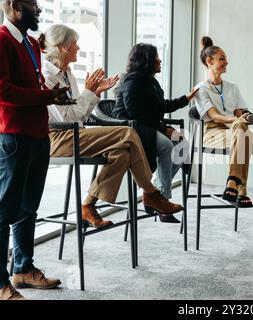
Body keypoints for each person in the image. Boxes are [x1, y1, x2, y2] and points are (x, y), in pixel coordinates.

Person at [40, 25, 183, 230]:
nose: (78, 47)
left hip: (76, 133)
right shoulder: (48, 76)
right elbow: (68, 117)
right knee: (127, 132)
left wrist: (94, 93)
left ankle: (87, 205)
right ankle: (151, 193)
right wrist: (89, 93)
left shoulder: (67, 73)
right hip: (58, 138)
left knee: (123, 154)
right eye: (74, 44)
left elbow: (81, 115)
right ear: (63, 47)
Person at [0, 0, 76, 300]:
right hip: (14, 138)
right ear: (15, 6)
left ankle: (23, 268)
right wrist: (43, 96)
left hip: (38, 136)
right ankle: (1, 283)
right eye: (33, 4)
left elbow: (35, 89)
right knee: (5, 211)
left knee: (28, 208)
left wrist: (51, 97)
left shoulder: (31, 43)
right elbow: (2, 90)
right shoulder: (3, 41)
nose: (39, 9)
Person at [113, 43, 197, 223]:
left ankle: (155, 194)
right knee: (166, 145)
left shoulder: (151, 81)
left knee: (182, 145)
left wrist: (186, 99)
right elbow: (135, 113)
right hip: (130, 128)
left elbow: (161, 107)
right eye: (156, 57)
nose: (160, 60)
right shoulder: (132, 80)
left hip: (148, 126)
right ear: (146, 60)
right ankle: (163, 201)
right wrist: (163, 129)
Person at [193, 36, 253, 207]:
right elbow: (214, 116)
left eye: (226, 59)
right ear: (209, 61)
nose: (227, 62)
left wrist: (241, 119)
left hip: (234, 131)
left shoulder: (233, 87)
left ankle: (232, 182)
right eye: (222, 59)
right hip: (212, 132)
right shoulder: (201, 89)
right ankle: (241, 189)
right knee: (246, 136)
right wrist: (237, 121)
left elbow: (240, 113)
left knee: (245, 134)